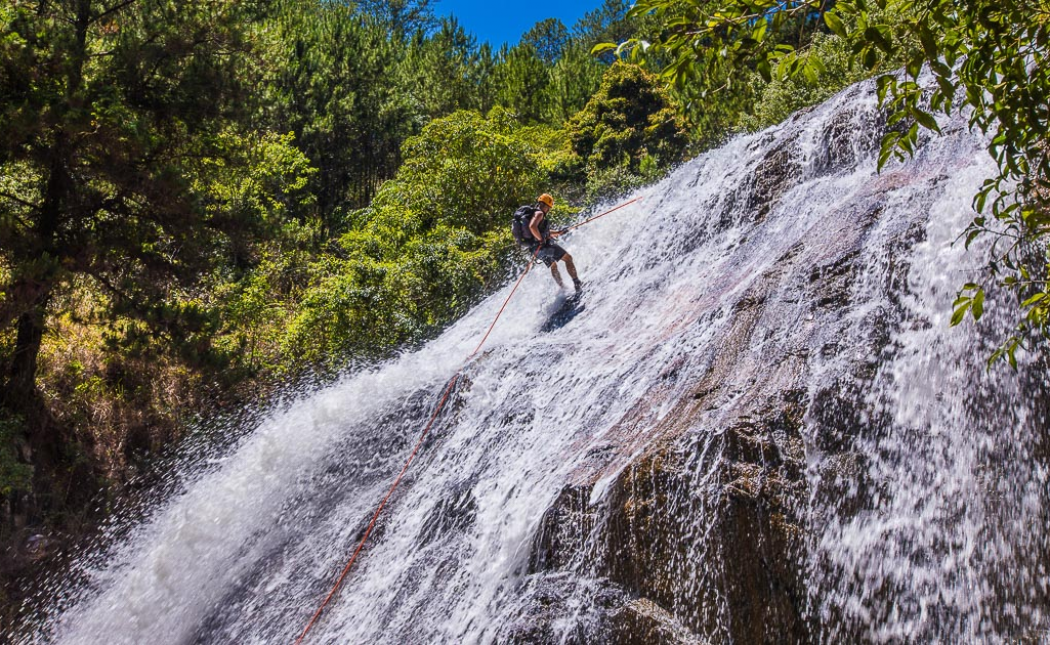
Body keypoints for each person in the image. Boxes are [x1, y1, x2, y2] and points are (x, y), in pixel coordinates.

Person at [522, 193, 582, 293]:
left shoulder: (532, 215)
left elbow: (545, 233)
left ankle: (563, 288)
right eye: (548, 208)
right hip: (543, 247)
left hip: (536, 251)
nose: (548, 210)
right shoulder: (539, 213)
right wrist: (541, 239)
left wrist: (558, 232)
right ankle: (577, 284)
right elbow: (532, 227)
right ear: (544, 205)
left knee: (553, 265)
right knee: (568, 258)